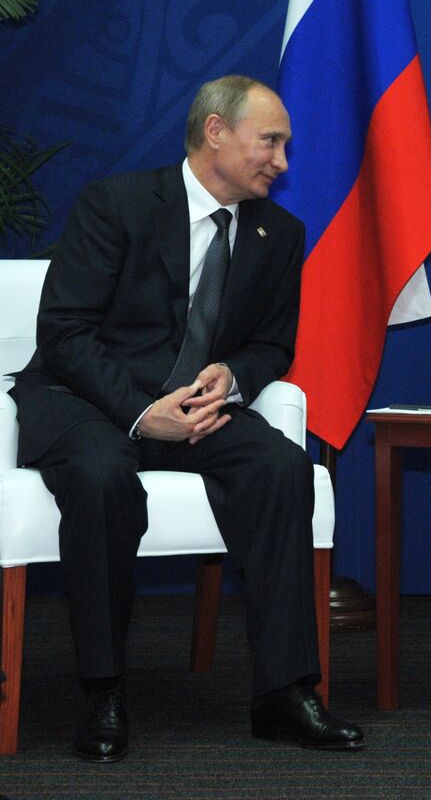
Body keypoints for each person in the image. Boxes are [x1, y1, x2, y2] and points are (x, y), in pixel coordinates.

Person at [11, 75, 364, 761]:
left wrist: (233, 377)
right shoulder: (116, 204)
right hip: (88, 403)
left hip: (197, 411)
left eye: (285, 146)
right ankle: (103, 689)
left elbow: (272, 345)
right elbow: (66, 333)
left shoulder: (277, 232)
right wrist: (143, 414)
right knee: (102, 476)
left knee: (280, 467)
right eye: (271, 142)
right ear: (215, 133)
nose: (283, 162)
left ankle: (285, 693)